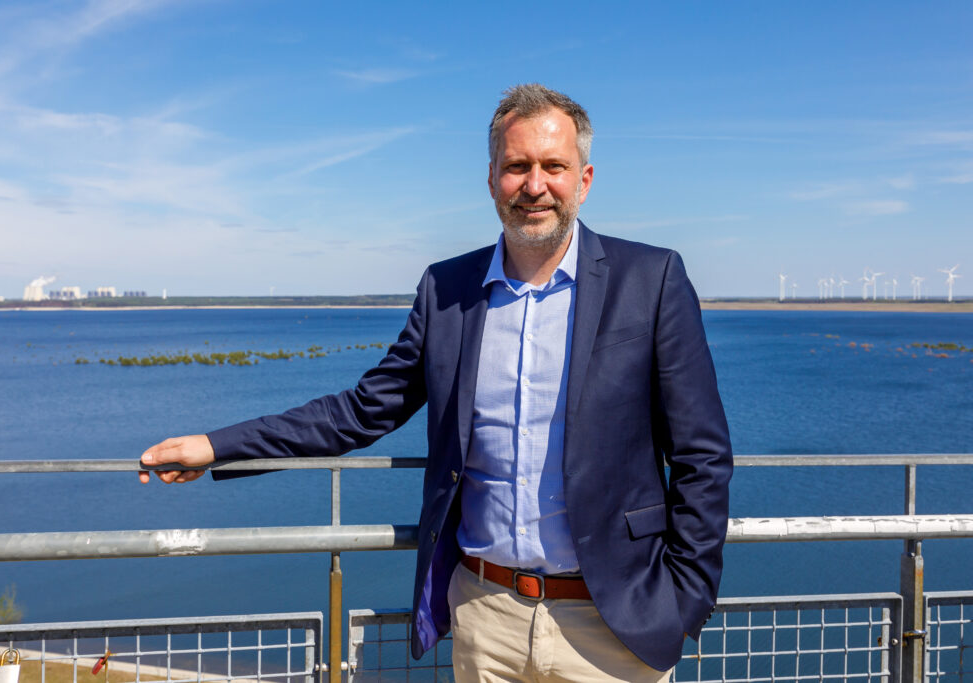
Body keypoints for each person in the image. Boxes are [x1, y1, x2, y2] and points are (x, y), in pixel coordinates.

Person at [140, 83, 733, 682]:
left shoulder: (650, 279)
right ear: (492, 180)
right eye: (516, 166)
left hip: (614, 626)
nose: (534, 185)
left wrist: (686, 602)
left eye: (554, 166)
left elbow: (701, 455)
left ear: (584, 180)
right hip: (485, 620)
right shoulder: (446, 290)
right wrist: (217, 446)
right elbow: (361, 411)